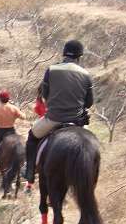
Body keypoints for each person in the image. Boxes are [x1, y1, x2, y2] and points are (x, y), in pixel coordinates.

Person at [23, 41, 94, 184]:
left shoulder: (51, 69)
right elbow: (89, 103)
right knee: (91, 144)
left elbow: (45, 94)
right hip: (77, 121)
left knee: (32, 136)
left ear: (64, 54)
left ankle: (29, 171)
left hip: (54, 118)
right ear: (80, 56)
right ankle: (91, 176)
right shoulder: (86, 75)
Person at [0, 90, 25, 166]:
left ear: (0, 99)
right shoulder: (13, 108)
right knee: (21, 142)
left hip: (2, 131)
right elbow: (23, 117)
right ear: (8, 99)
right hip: (12, 130)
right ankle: (23, 161)